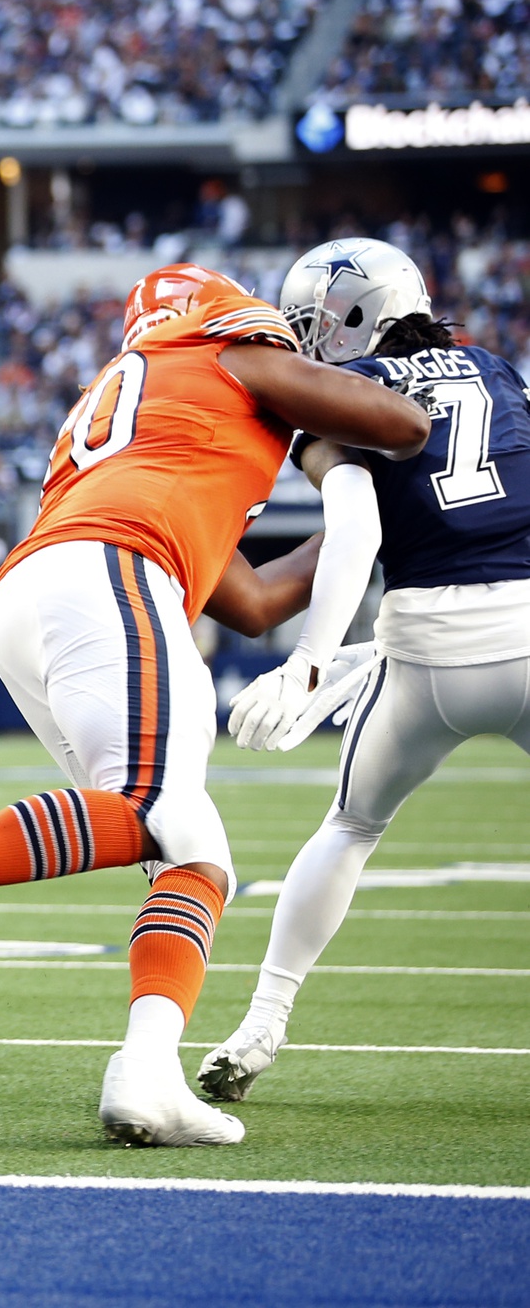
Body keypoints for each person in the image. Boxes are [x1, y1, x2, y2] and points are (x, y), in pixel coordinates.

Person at [0, 262, 431, 1147]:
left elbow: (248, 602)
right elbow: (401, 423)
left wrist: (357, 525)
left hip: (47, 588)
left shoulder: (156, 394)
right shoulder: (228, 349)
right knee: (150, 807)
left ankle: (147, 1072)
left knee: (191, 845)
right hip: (111, 571)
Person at [203, 239, 530, 1101]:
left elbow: (358, 533)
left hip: (426, 651)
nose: (306, 344)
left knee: (350, 827)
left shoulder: (342, 400)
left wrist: (311, 661)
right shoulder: (495, 370)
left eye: (311, 325)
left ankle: (262, 1023)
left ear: (352, 318)